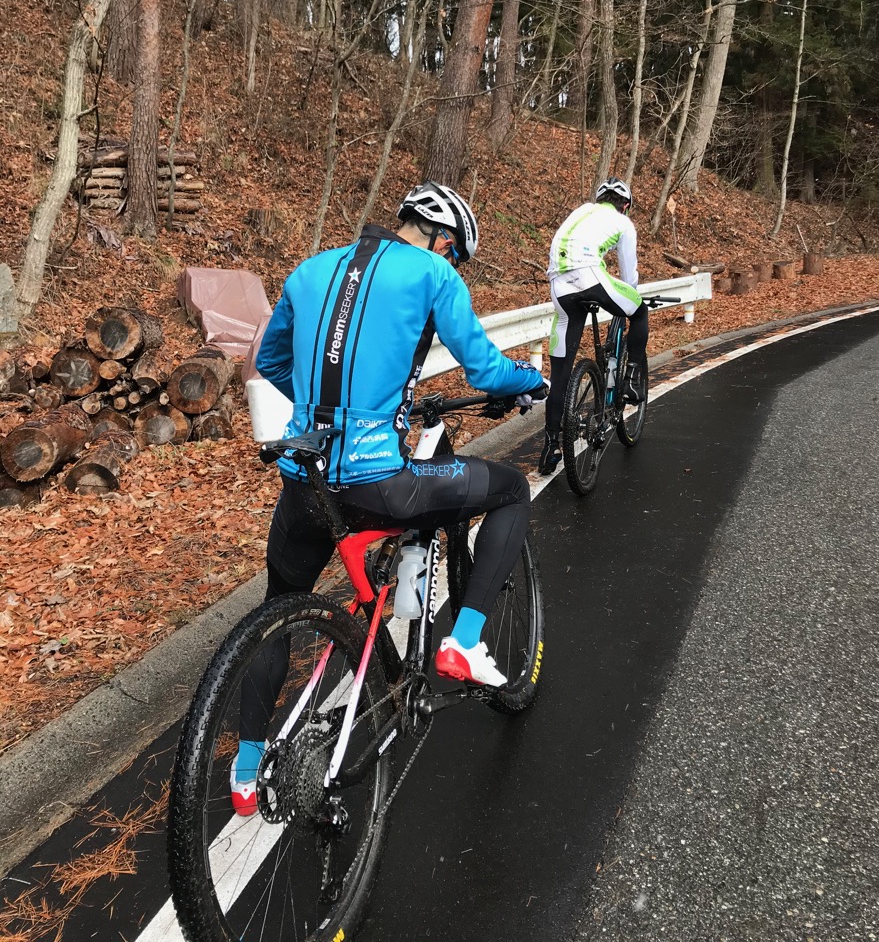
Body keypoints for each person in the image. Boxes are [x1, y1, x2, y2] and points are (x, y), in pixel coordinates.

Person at [231, 180, 547, 814]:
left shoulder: (311, 268)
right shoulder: (433, 272)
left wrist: (335, 411)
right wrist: (531, 380)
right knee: (510, 489)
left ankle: (245, 768)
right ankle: (465, 640)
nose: (453, 265)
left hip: (305, 476)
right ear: (445, 239)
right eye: (456, 255)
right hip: (379, 481)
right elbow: (484, 371)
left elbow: (269, 360)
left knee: (282, 604)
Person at [538, 177, 647, 476]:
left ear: (599, 199)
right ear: (624, 205)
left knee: (559, 377)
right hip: (590, 276)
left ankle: (550, 449)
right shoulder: (623, 223)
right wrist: (630, 296)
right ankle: (632, 380)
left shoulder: (579, 212)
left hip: (559, 286)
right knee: (638, 312)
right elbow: (628, 274)